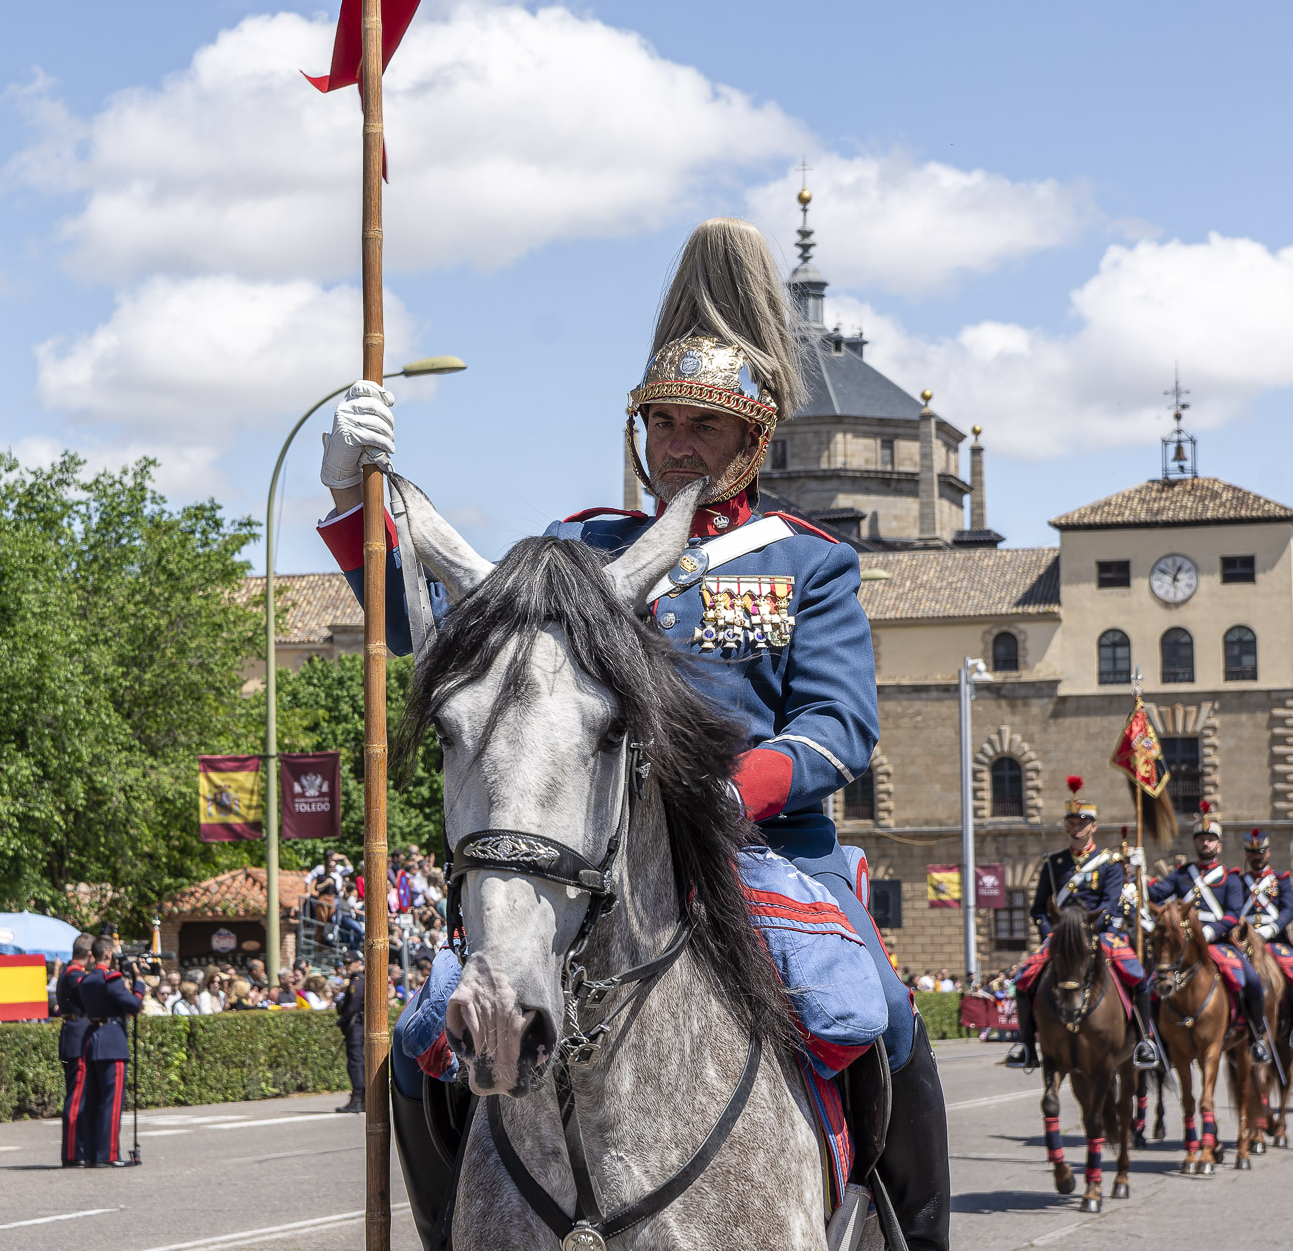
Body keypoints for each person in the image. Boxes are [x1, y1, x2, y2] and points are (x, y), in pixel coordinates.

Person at [319, 216, 948, 1248]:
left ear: (751, 439)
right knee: (430, 1033)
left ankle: (914, 1231)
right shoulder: (575, 552)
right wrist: (351, 492)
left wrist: (730, 788)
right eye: (663, 423)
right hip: (588, 856)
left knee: (880, 1013)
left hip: (760, 854)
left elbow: (840, 723)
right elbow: (421, 618)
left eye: (704, 425)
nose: (679, 444)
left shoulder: (808, 560)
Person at [1009, 780, 1157, 1070]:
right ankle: (1026, 1044)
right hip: (1060, 938)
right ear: (1066, 827)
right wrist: (1049, 934)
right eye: (1072, 822)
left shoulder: (1109, 863)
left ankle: (1144, 1040)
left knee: (1137, 975)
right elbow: (1039, 908)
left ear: (1094, 826)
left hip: (1099, 935)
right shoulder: (1054, 863)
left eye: (1083, 822)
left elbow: (1111, 903)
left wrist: (1084, 932)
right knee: (1023, 979)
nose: (1077, 827)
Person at [1147, 805, 1272, 1065]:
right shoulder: (1181, 875)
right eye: (1201, 839)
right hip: (1183, 944)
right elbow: (1156, 894)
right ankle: (1153, 1040)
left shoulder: (1231, 879)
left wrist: (1210, 930)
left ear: (1219, 846)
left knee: (1251, 980)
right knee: (1151, 983)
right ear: (1195, 844)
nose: (1205, 843)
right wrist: (1137, 874)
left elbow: (1233, 914)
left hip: (1218, 942)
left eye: (1210, 839)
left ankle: (1256, 1035)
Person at [1235, 830, 1293, 1048]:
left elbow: (1290, 910)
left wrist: (1272, 929)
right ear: (1246, 854)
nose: (1256, 856)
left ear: (1268, 853)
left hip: (1274, 940)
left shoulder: (1281, 880)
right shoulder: (1240, 883)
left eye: (1260, 852)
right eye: (1252, 852)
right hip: (1245, 941)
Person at [76, 935, 145, 1167]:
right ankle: (109, 1154)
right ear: (107, 953)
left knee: (94, 1101)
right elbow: (134, 1005)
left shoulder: (86, 980)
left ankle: (93, 1153)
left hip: (93, 1039)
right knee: (111, 1102)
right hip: (112, 1042)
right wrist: (140, 985)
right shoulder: (111, 978)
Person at [54, 934, 93, 1167]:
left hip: (78, 1036)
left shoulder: (70, 972)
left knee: (83, 1098)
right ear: (89, 954)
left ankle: (80, 1148)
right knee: (76, 1100)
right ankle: (71, 1153)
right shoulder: (73, 973)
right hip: (77, 1038)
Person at [334, 955, 366, 1115]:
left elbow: (352, 1005)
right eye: (345, 963)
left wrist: (343, 1019)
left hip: (356, 1024)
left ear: (357, 963)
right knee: (360, 1060)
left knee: (355, 1062)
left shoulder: (358, 981)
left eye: (349, 963)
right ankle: (364, 1099)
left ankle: (357, 1099)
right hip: (359, 1024)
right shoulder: (357, 980)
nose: (347, 965)